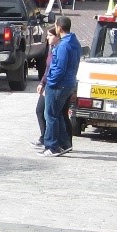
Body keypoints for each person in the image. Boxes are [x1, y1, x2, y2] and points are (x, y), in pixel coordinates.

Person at [40, 15, 80, 156]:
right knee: (61, 115)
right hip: (69, 84)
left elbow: (59, 68)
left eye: (56, 26)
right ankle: (65, 144)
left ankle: (52, 146)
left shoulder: (63, 45)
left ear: (59, 28)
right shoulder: (74, 42)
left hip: (59, 85)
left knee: (50, 115)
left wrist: (50, 83)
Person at [32, 25, 61, 147]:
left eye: (50, 35)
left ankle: (53, 142)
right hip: (47, 84)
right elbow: (47, 69)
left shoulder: (60, 49)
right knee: (40, 111)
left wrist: (48, 85)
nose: (47, 38)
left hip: (54, 86)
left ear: (57, 36)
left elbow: (57, 70)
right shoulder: (51, 49)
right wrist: (42, 83)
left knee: (50, 114)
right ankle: (44, 137)